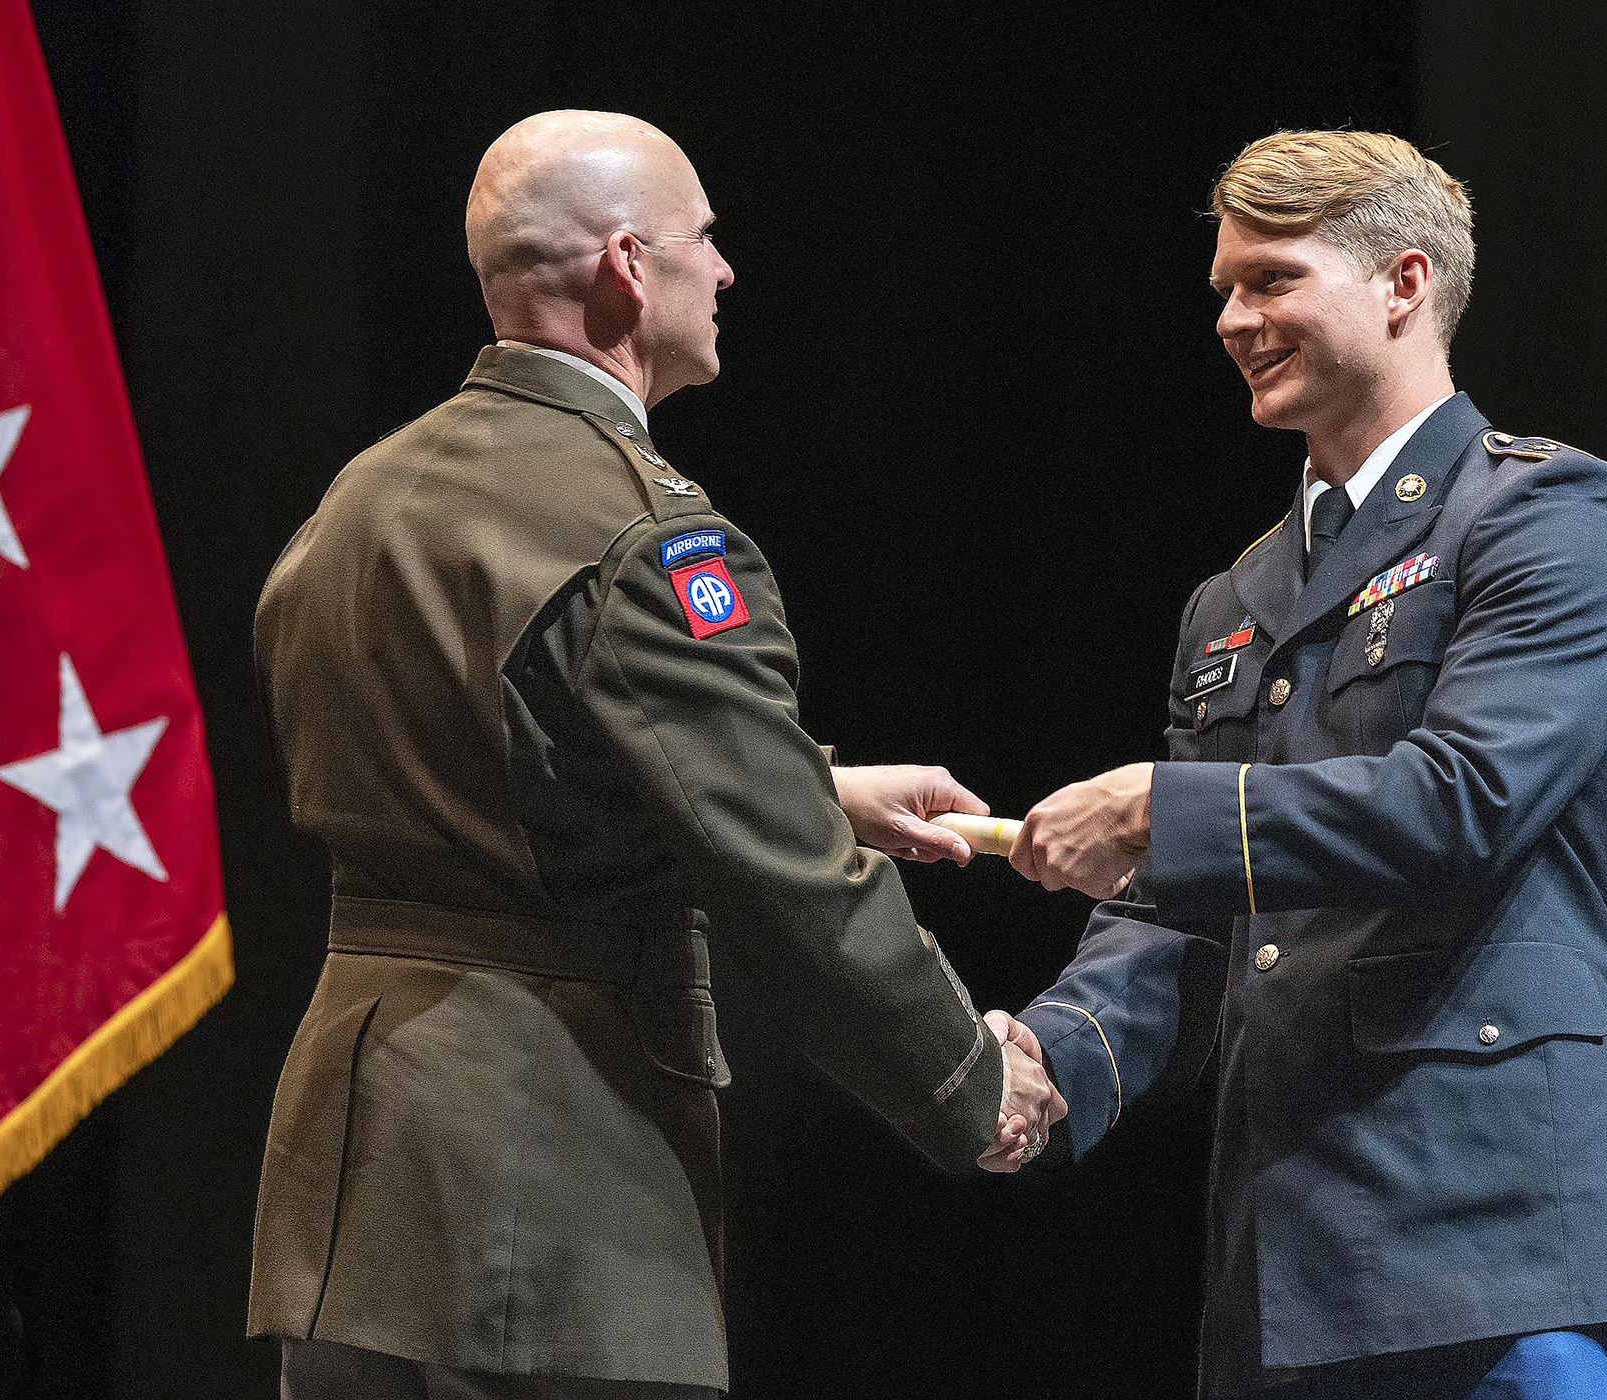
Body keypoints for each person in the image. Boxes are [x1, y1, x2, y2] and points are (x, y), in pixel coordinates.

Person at [247, 110, 1062, 1399]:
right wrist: (970, 1083)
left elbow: (481, 763)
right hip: (546, 1188)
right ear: (631, 267)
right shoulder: (647, 539)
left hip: (350, 1187)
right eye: (705, 238)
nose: (725, 270)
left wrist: (820, 785)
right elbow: (792, 885)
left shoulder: (363, 493)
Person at [995, 130, 1607, 1398]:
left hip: (1496, 1236)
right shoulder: (1234, 596)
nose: (1233, 319)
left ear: (1405, 283)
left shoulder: (1549, 512)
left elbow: (1462, 801)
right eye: (1224, 292)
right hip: (1287, 1256)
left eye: (1271, 280)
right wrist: (1046, 1060)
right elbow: (1182, 913)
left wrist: (1155, 807)